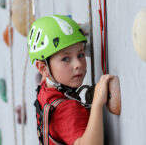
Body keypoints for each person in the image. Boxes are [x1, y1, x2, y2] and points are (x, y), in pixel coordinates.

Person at [27, 15, 113, 145]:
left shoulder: (45, 89)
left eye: (80, 54)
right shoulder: (67, 109)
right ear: (43, 68)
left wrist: (72, 34)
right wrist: (97, 103)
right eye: (66, 59)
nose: (77, 64)